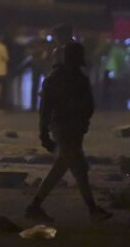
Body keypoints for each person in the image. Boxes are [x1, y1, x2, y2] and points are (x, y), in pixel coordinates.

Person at [25, 42, 113, 223]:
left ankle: (35, 206)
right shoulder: (59, 79)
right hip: (64, 128)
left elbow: (87, 105)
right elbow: (46, 109)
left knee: (64, 167)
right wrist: (44, 133)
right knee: (77, 168)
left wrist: (82, 121)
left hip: (72, 129)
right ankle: (91, 209)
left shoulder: (71, 78)